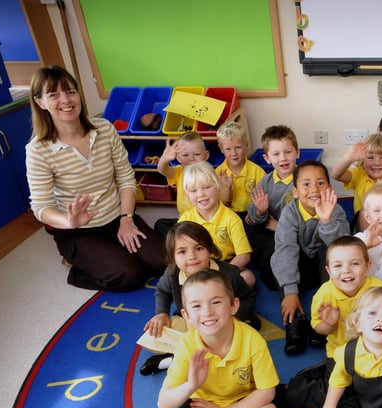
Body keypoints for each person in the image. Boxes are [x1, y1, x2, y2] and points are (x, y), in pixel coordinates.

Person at [26, 65, 165, 291]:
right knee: (130, 275)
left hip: (117, 217)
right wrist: (68, 222)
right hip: (78, 231)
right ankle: (78, 268)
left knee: (162, 262)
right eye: (54, 95)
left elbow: (126, 178)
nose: (66, 100)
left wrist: (127, 219)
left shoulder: (105, 129)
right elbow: (41, 207)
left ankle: (110, 250)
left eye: (70, 91)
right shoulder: (38, 150)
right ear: (40, 102)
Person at [154, 269, 282, 408]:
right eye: (196, 306)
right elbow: (163, 403)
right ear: (186, 315)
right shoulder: (187, 345)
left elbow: (267, 391)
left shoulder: (252, 339)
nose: (207, 312)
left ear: (234, 306)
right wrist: (190, 385)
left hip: (241, 403)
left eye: (216, 302)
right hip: (202, 406)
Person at [139, 221, 259, 375]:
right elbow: (162, 291)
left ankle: (175, 359)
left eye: (199, 248)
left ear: (210, 249)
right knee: (153, 334)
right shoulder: (172, 274)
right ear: (173, 257)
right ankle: (199, 354)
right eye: (182, 251)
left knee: (239, 342)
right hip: (191, 323)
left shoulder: (229, 273)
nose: (192, 257)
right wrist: (161, 313)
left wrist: (235, 316)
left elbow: (248, 296)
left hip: (222, 323)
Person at [270, 160, 350, 355]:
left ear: (330, 188)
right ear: (295, 191)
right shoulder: (290, 213)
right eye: (306, 184)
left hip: (324, 271)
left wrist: (326, 220)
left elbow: (341, 248)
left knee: (330, 251)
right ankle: (294, 319)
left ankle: (326, 318)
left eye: (320, 183)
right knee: (280, 259)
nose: (314, 189)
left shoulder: (337, 211)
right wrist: (290, 292)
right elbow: (285, 250)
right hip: (299, 266)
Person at [178, 161, 255, 287]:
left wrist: (220, 275)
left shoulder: (232, 218)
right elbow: (180, 253)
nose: (201, 194)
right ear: (187, 194)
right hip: (197, 265)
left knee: (248, 277)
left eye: (207, 187)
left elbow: (244, 256)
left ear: (218, 186)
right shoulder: (185, 220)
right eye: (193, 190)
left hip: (225, 265)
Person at [311, 236, 382, 358]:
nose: (346, 270)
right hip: (340, 353)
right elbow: (319, 329)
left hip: (378, 353)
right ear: (328, 271)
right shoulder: (325, 294)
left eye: (354, 263)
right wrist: (328, 323)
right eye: (338, 266)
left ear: (367, 267)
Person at [247, 125, 300, 290]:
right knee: (248, 227)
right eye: (276, 154)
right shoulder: (266, 181)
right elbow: (253, 212)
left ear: (297, 152)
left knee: (279, 247)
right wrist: (260, 211)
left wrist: (280, 227)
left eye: (288, 152)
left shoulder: (303, 179)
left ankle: (279, 279)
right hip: (270, 226)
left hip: (294, 231)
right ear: (267, 158)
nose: (283, 158)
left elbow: (309, 216)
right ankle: (269, 268)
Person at [330, 133, 382, 229]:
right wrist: (349, 158)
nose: (376, 163)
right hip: (364, 228)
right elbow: (335, 175)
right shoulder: (359, 173)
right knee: (365, 211)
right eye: (370, 157)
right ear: (362, 162)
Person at [153, 131, 211, 238]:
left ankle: (185, 240)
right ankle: (182, 242)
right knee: (161, 224)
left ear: (205, 155)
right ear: (178, 158)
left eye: (197, 154)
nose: (191, 158)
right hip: (185, 220)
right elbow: (163, 170)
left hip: (205, 220)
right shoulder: (179, 172)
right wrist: (164, 159)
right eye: (185, 155)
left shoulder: (209, 173)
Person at [214, 121, 266, 221]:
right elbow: (223, 205)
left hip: (251, 215)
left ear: (246, 145)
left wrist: (254, 213)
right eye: (228, 149)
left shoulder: (258, 172)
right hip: (228, 216)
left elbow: (263, 201)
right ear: (221, 149)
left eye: (238, 147)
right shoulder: (218, 173)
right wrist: (227, 188)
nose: (234, 153)